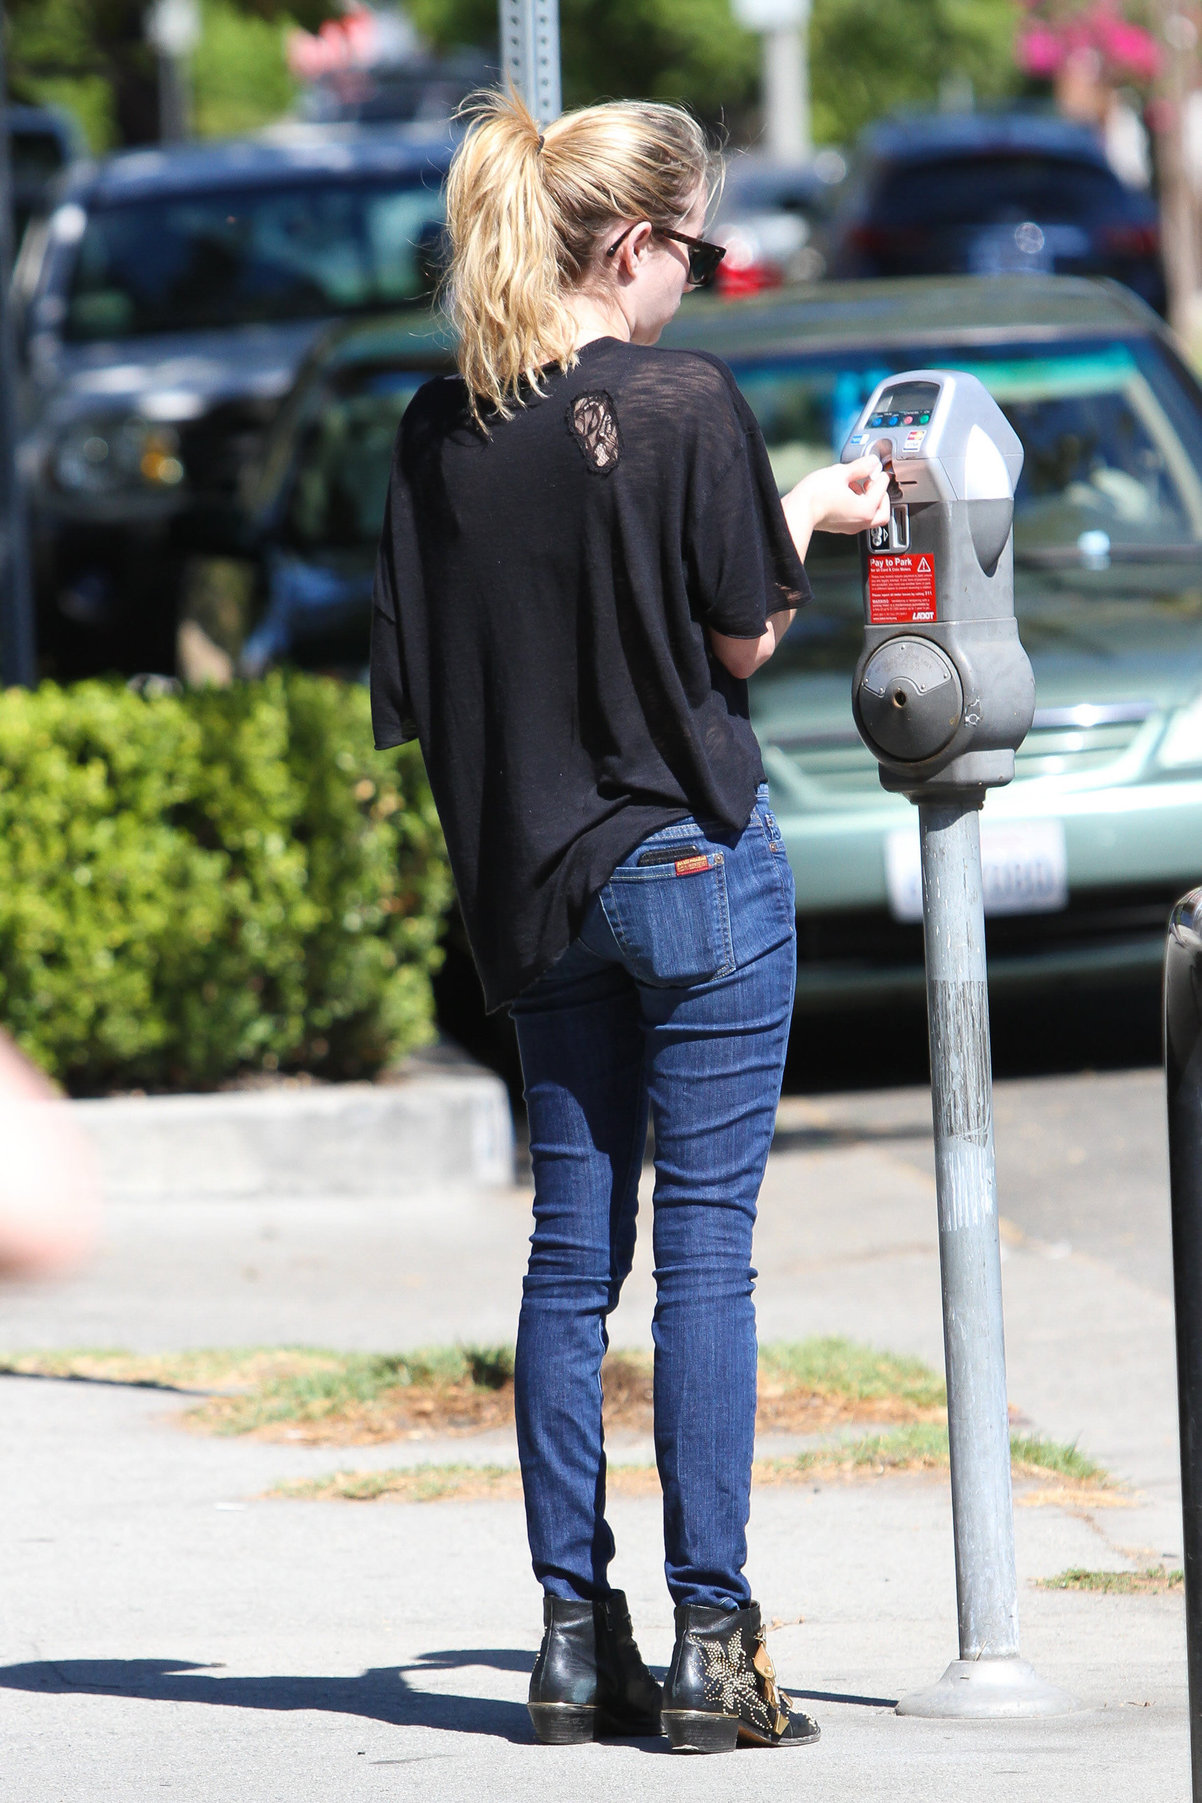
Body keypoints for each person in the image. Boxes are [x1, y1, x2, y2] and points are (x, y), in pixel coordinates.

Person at [370, 89, 889, 1755]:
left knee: (568, 1255)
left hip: (527, 893)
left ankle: (569, 1646)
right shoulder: (678, 399)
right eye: (697, 248)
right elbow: (736, 641)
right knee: (709, 1255)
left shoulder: (436, 430)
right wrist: (803, 517)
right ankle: (715, 1651)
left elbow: (432, 673)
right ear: (642, 244)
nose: (695, 280)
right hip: (684, 868)